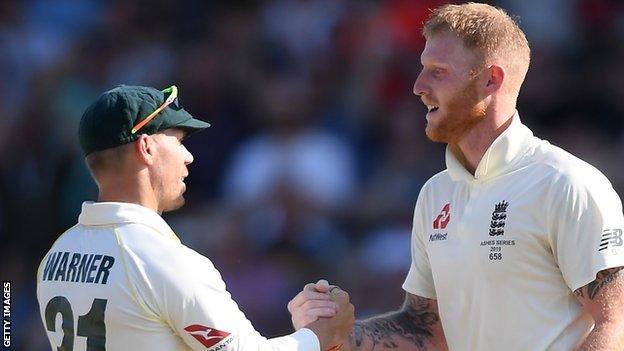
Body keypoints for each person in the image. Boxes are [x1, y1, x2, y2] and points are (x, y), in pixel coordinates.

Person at [289, 3, 624, 350]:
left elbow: (615, 325)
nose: (418, 86)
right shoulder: (436, 193)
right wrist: (337, 335)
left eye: (438, 72)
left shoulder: (568, 184)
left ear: (491, 79)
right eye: (422, 70)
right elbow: (428, 332)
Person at [36, 84, 354, 351]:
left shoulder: (55, 255)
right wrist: (320, 335)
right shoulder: (159, 260)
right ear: (146, 147)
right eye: (178, 140)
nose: (188, 157)